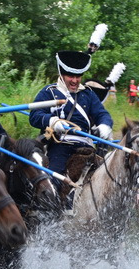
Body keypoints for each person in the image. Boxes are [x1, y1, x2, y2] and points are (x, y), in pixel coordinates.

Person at [29, 36, 113, 188]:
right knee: (54, 182)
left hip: (86, 145)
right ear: (62, 74)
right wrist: (53, 121)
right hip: (60, 145)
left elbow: (102, 114)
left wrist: (105, 125)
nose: (75, 80)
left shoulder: (88, 94)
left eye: (78, 76)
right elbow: (34, 115)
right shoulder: (49, 92)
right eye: (71, 76)